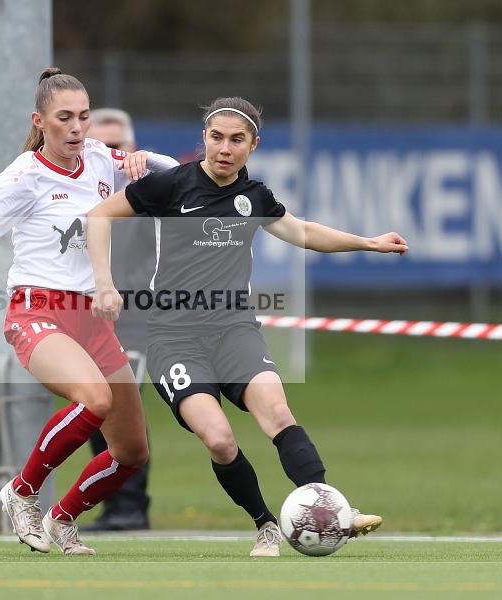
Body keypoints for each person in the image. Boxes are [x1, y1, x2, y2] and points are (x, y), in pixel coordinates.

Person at [87, 97, 408, 557]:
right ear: (204, 140)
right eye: (216, 137)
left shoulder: (254, 197)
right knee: (218, 439)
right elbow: (99, 216)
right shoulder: (170, 186)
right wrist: (104, 283)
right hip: (173, 338)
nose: (224, 148)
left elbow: (303, 231)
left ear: (252, 145)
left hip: (234, 329)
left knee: (278, 414)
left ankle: (331, 508)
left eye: (236, 140)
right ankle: (266, 525)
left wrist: (369, 243)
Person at [0, 68, 178, 555]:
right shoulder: (23, 175)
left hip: (94, 322)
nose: (77, 128)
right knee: (95, 398)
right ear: (40, 121)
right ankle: (22, 492)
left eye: (83, 116)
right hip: (39, 313)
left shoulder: (100, 158)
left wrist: (145, 158)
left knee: (131, 452)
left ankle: (63, 519)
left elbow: (167, 168)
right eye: (65, 118)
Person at [82, 108, 152, 532]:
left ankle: (130, 506)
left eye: (118, 147)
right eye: (102, 147)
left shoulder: (148, 194)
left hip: (138, 318)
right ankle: (117, 505)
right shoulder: (82, 191)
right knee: (95, 408)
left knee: (123, 411)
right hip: (90, 318)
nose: (112, 155)